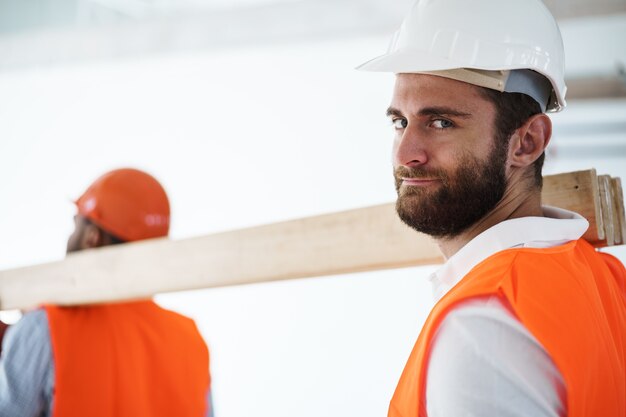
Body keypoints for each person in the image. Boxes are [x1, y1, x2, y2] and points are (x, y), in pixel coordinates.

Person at [358, 0, 626, 416]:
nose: (406, 153)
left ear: (527, 142)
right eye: (400, 122)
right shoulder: (605, 279)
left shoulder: (481, 326)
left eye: (441, 122)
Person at [0, 168, 213, 417]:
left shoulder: (43, 328)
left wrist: (25, 343)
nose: (70, 238)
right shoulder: (190, 341)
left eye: (76, 225)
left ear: (92, 238)